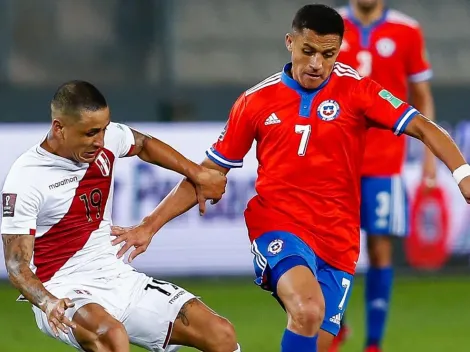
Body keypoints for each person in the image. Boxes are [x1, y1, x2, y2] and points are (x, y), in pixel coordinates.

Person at [110, 4, 470, 352]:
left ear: (339, 50)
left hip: (339, 240)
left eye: (328, 54)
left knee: (317, 339)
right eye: (308, 51)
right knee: (307, 309)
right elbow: (206, 176)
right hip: (280, 224)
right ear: (290, 42)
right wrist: (149, 225)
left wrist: (462, 172)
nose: (316, 64)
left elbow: (423, 127)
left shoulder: (358, 91)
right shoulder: (256, 102)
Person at [1, 80, 242, 352]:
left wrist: (195, 172)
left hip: (117, 277)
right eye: (91, 133)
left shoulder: (106, 138)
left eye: (104, 129)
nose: (101, 140)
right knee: (112, 336)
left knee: (221, 334)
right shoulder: (26, 178)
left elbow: (143, 144)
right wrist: (47, 303)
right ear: (59, 128)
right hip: (63, 290)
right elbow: (16, 265)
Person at [330, 1, 436, 351]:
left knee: (379, 249)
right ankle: (336, 324)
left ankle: (373, 342)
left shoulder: (407, 30)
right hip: (335, 161)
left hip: (384, 161)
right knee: (329, 249)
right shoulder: (331, 24)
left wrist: (429, 161)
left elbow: (421, 96)